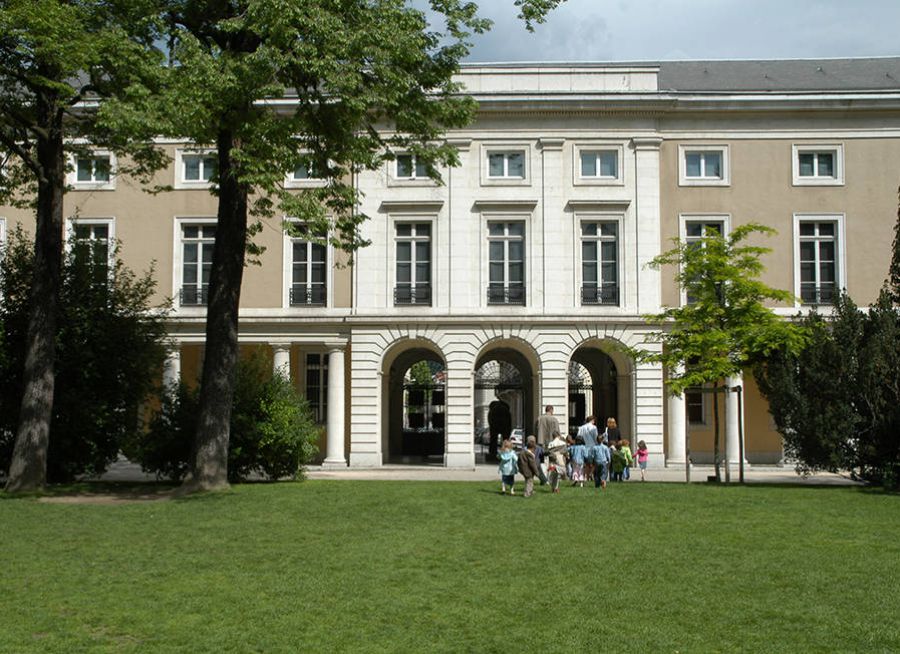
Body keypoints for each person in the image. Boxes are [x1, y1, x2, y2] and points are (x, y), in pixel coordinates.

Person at [488, 398, 512, 462]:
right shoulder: (505, 409)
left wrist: (492, 426)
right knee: (505, 440)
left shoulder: (493, 410)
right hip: (505, 426)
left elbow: (490, 420)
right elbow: (509, 421)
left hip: (494, 426)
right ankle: (506, 454)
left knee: (493, 440)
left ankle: (493, 454)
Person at [577, 416, 599, 482]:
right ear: (592, 420)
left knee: (586, 463)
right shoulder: (594, 427)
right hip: (592, 446)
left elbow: (579, 436)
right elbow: (595, 437)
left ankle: (586, 476)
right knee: (594, 462)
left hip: (584, 446)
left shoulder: (581, 427)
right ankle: (590, 474)